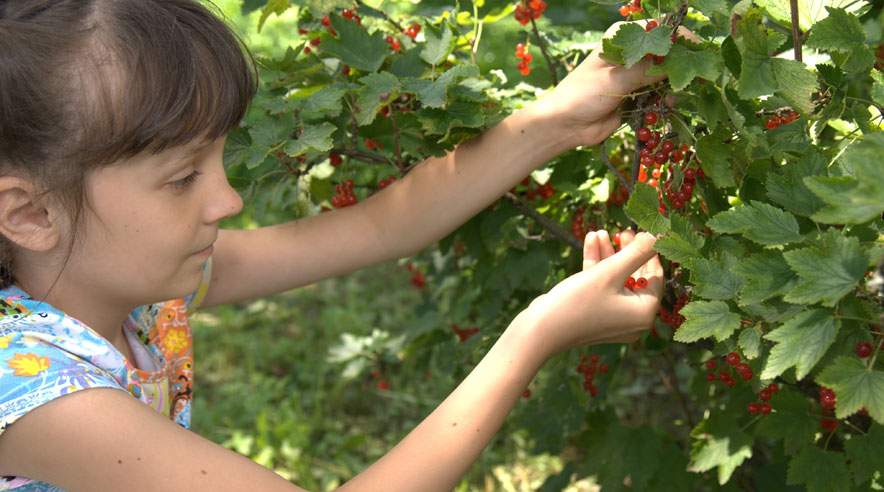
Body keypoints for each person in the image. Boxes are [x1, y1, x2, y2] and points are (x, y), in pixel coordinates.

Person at [0, 0, 664, 490]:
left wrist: (552, 121)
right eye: (181, 178)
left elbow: (379, 228)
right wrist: (533, 337)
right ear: (30, 214)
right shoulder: (40, 394)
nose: (228, 200)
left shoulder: (124, 285)